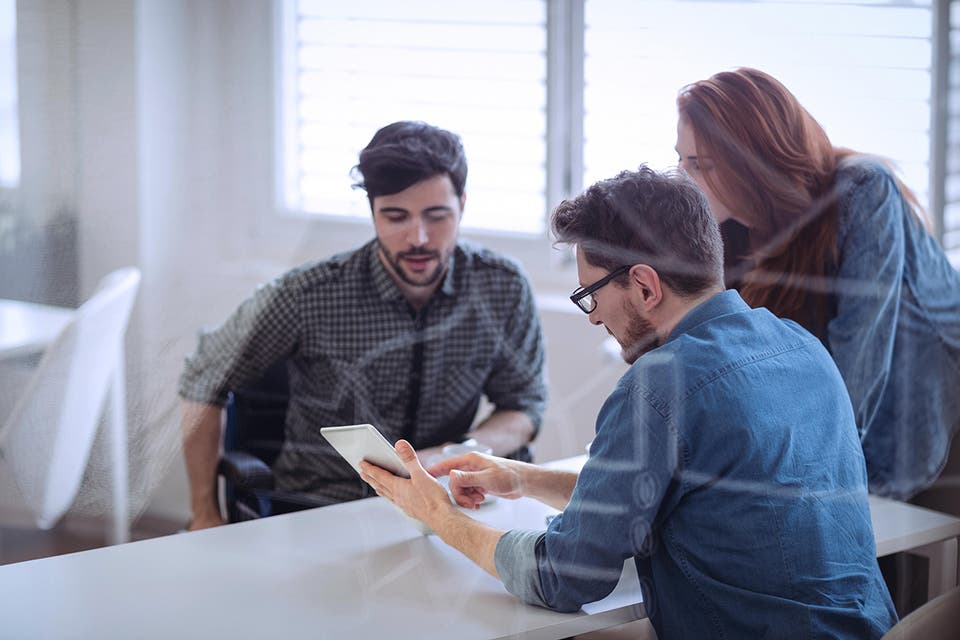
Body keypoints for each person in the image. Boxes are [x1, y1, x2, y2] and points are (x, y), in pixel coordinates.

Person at [359, 167, 897, 639]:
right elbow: (670, 498)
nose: (593, 316)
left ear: (644, 286)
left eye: (590, 294)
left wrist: (439, 517)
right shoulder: (801, 345)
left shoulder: (661, 384)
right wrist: (523, 477)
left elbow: (564, 577)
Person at [179, 121, 547, 530]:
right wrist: (205, 513)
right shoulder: (308, 294)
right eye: (395, 216)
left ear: (462, 203)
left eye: (437, 216)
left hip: (443, 506)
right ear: (372, 211)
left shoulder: (502, 286)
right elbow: (202, 379)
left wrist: (449, 455)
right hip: (320, 508)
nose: (418, 238)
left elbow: (525, 405)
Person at [675, 67, 960, 501]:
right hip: (855, 423)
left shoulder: (864, 193)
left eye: (700, 164)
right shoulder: (730, 226)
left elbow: (857, 361)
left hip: (927, 414)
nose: (682, 177)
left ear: (753, 163)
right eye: (680, 158)